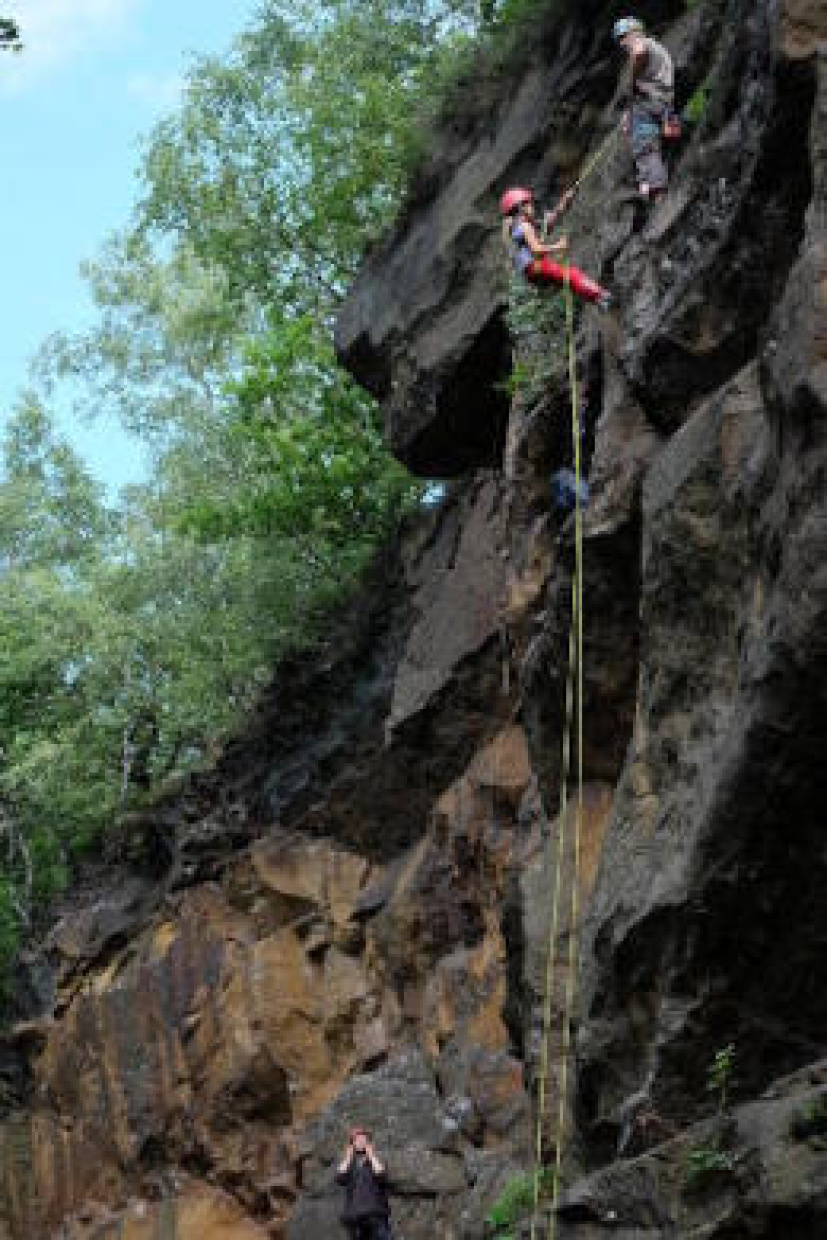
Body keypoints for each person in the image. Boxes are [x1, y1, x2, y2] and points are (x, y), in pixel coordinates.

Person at [499, 186, 612, 311]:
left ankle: (599, 301)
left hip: (531, 273)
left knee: (567, 282)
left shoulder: (517, 229)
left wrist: (565, 201)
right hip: (536, 265)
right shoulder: (525, 226)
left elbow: (549, 222)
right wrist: (558, 246)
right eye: (529, 204)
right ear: (521, 208)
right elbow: (536, 249)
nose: (533, 208)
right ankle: (602, 296)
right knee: (572, 275)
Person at [613, 16, 675, 201]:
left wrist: (632, 80)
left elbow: (639, 54)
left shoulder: (640, 43)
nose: (622, 42)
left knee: (644, 147)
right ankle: (649, 186)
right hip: (662, 102)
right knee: (648, 143)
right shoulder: (658, 47)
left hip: (648, 104)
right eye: (620, 39)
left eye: (624, 36)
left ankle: (654, 189)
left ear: (634, 32)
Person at [336, 1126, 392, 1240]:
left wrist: (371, 1155)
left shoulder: (377, 1158)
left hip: (375, 1212)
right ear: (352, 1144)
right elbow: (339, 1178)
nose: (360, 1141)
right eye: (356, 1139)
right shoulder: (349, 1162)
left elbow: (381, 1176)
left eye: (363, 1139)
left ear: (368, 1141)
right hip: (355, 1215)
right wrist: (347, 1157)